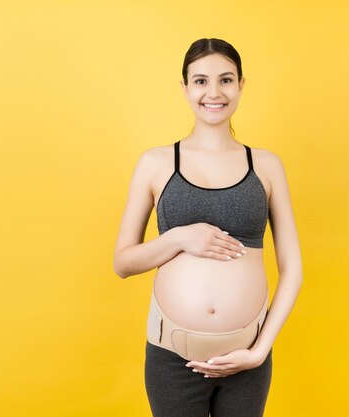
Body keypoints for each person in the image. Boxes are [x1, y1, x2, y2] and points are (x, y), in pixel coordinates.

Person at [113, 38, 303, 417]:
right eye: (200, 81)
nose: (213, 92)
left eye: (226, 80)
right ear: (184, 88)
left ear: (241, 86)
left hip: (247, 358)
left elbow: (293, 270)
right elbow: (123, 262)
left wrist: (259, 351)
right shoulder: (156, 163)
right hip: (172, 360)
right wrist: (180, 237)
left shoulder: (266, 166)